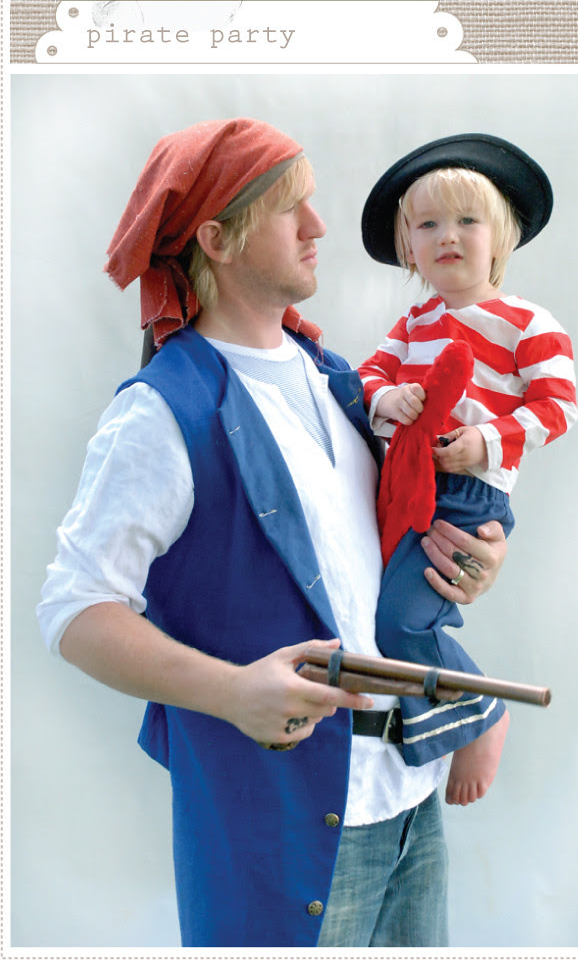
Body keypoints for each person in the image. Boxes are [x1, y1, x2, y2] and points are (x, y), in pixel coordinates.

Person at [37, 119, 509, 948]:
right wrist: (231, 691)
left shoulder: (338, 380)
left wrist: (471, 560)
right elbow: (73, 610)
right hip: (281, 824)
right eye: (290, 207)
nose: (318, 226)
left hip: (409, 795)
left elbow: (378, 555)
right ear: (217, 240)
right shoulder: (161, 413)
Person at [358, 134, 578, 807]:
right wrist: (389, 400)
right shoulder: (412, 323)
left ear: (500, 236)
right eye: (427, 224)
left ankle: (481, 712)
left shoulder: (527, 322)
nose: (446, 236)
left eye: (466, 221)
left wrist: (484, 440)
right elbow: (367, 378)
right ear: (408, 246)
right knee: (377, 616)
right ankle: (440, 720)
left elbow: (559, 407)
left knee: (401, 621)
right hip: (403, 485)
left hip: (467, 494)